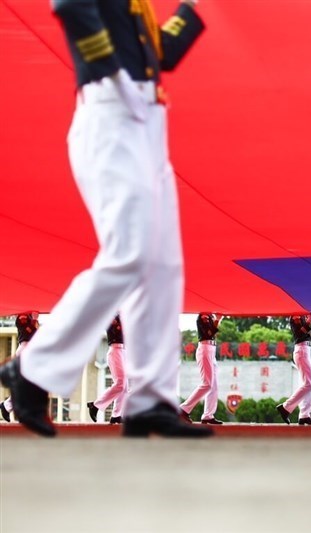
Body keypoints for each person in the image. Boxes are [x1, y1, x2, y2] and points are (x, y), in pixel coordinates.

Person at [0, 0, 211, 438]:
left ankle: (151, 400)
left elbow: (162, 53)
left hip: (148, 117)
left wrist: (195, 8)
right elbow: (72, 6)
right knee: (129, 254)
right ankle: (32, 367)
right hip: (113, 109)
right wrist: (115, 75)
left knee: (162, 266)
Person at [179, 313, 224, 425]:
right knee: (207, 383)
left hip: (211, 348)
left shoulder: (210, 315)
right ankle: (183, 409)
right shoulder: (203, 315)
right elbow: (209, 333)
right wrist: (218, 319)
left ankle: (208, 415)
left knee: (213, 385)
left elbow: (212, 333)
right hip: (205, 348)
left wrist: (217, 319)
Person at [277, 315, 311, 426]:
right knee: (308, 384)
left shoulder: (302, 315)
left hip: (306, 349)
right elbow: (301, 333)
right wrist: (309, 320)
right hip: (302, 349)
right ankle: (285, 407)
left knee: (308, 384)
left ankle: (304, 415)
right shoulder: (296, 315)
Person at [1, 312, 39, 423]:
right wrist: (34, 321)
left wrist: (34, 320)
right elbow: (28, 331)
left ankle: (8, 406)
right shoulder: (22, 317)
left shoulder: (30, 318)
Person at [87, 315, 126, 424]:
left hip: (123, 351)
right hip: (115, 350)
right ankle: (95, 405)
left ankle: (116, 416)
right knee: (121, 384)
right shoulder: (112, 313)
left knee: (125, 387)